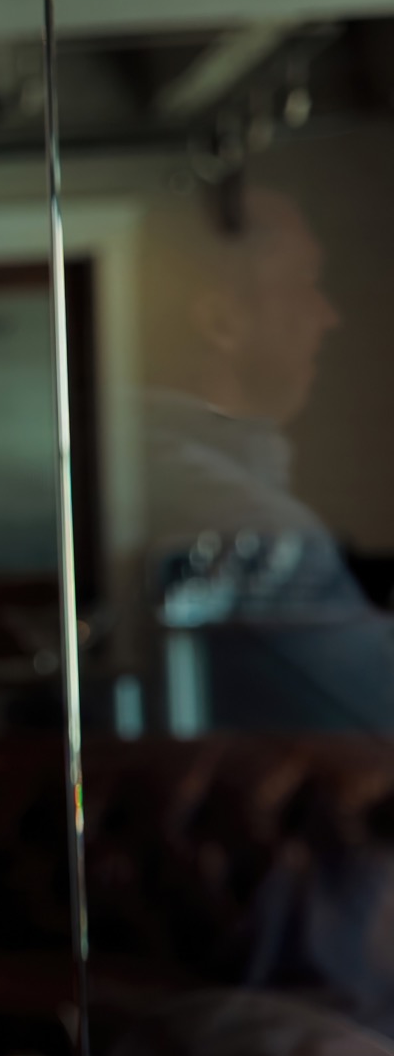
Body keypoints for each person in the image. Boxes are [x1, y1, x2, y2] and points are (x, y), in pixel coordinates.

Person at [138, 182, 394, 733]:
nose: (328, 317)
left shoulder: (113, 471)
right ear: (222, 322)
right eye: (306, 283)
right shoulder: (268, 543)